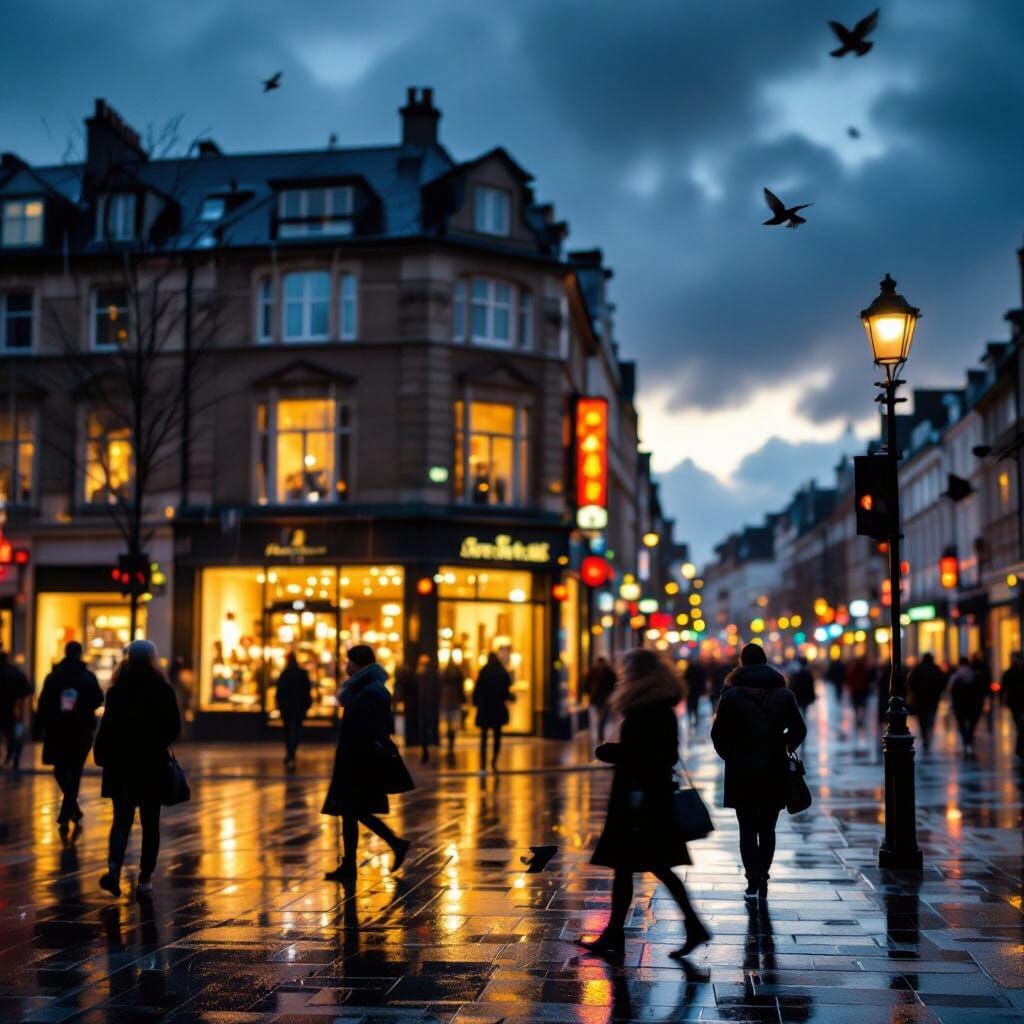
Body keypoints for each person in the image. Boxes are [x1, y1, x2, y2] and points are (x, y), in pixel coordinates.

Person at [581, 648, 710, 959]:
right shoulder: (653, 705)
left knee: (650, 865)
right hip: (642, 796)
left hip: (643, 799)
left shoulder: (651, 708)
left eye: (627, 670)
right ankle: (617, 932)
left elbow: (659, 754)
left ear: (638, 674)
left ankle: (690, 926)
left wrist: (614, 753)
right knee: (632, 867)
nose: (623, 675)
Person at [711, 643, 807, 902]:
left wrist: (731, 755)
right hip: (774, 768)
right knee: (767, 827)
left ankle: (753, 877)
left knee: (746, 828)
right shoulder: (783, 695)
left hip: (741, 771)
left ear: (741, 663)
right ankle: (763, 874)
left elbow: (717, 735)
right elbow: (799, 729)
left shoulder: (730, 696)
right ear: (765, 662)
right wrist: (784, 745)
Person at [93, 640, 181, 899]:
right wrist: (158, 743)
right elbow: (174, 727)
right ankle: (145, 877)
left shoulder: (118, 689)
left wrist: (102, 753)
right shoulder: (162, 689)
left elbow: (107, 727)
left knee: (121, 820)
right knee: (150, 821)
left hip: (121, 764)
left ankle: (113, 870)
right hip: (150, 764)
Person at [322, 644, 411, 882]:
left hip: (360, 760)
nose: (346, 666)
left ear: (359, 664)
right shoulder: (361, 689)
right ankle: (350, 865)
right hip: (353, 757)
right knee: (349, 812)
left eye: (349, 662)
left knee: (353, 810)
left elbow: (372, 727)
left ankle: (395, 844)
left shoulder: (370, 691)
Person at [35, 641, 104, 833]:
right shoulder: (88, 677)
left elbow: (44, 702)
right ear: (80, 654)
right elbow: (98, 698)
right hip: (80, 729)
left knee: (60, 768)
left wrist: (39, 727)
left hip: (57, 728)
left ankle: (69, 809)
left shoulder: (54, 676)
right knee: (75, 769)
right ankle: (70, 807)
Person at [473, 652, 513, 772]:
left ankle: (483, 763)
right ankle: (494, 761)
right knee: (497, 737)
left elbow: (478, 690)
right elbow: (506, 691)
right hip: (497, 709)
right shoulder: (502, 672)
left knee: (484, 737)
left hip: (485, 709)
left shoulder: (484, 672)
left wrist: (477, 703)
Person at [275, 652, 312, 770]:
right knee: (297, 729)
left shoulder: (284, 674)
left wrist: (279, 705)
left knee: (287, 730)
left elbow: (279, 692)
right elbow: (307, 691)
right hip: (299, 706)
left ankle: (290, 751)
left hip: (286, 707)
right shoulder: (302, 673)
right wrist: (307, 705)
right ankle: (292, 751)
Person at [0, 648, 32, 776]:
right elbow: (26, 692)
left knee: (10, 736)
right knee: (14, 737)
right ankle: (14, 759)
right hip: (12, 711)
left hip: (8, 710)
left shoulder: (11, 673)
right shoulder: (15, 673)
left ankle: (10, 758)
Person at [905, 652, 947, 752]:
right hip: (933, 698)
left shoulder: (918, 668)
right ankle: (928, 734)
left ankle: (924, 735)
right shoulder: (935, 668)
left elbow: (910, 681)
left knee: (922, 718)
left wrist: (916, 690)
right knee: (931, 717)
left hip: (921, 698)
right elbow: (942, 682)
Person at [949, 656, 984, 757]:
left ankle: (966, 741)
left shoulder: (956, 676)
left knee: (961, 723)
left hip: (959, 704)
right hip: (973, 704)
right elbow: (979, 690)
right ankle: (969, 739)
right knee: (972, 723)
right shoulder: (974, 674)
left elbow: (951, 690)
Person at [413, 654, 441, 765]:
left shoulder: (423, 675)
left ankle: (426, 750)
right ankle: (426, 750)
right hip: (428, 706)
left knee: (425, 729)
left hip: (426, 706)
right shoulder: (427, 675)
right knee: (426, 729)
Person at [439, 657, 466, 760]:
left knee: (448, 722)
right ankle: (451, 742)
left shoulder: (443, 675)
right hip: (454, 701)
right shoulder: (457, 674)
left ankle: (449, 739)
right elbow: (461, 688)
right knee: (453, 723)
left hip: (446, 701)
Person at [585, 656, 617, 742]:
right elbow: (587, 685)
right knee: (598, 717)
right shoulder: (592, 673)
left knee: (602, 717)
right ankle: (599, 733)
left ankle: (600, 734)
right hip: (595, 699)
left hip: (605, 699)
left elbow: (614, 686)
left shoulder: (609, 673)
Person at [1001, 651, 1024, 759]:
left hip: (1017, 702)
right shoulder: (1009, 672)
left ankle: (1019, 748)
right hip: (1014, 702)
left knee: (1020, 725)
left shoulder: (1010, 672)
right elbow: (1004, 687)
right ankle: (1019, 748)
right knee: (1019, 725)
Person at [846, 656, 872, 732]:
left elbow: (849, 679)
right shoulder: (864, 669)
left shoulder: (853, 670)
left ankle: (858, 717)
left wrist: (850, 687)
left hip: (856, 690)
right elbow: (868, 679)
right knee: (862, 705)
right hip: (862, 690)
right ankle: (860, 718)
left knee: (856, 705)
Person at [683, 657, 707, 729]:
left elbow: (685, 679)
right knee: (695, 704)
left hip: (689, 690)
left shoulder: (688, 669)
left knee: (690, 705)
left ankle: (690, 718)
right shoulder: (699, 669)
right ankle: (695, 718)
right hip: (695, 690)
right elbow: (702, 679)